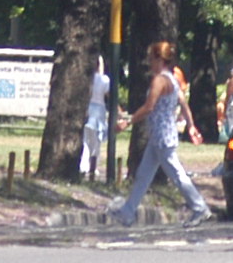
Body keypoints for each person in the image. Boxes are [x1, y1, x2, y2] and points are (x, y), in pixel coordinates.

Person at [110, 39, 211, 228]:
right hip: (160, 135)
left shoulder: (160, 80)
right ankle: (128, 211)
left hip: (162, 136)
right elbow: (183, 102)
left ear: (159, 59)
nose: (149, 62)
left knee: (177, 174)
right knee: (143, 175)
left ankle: (199, 207)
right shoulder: (173, 79)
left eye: (151, 58)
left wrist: (128, 121)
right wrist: (191, 125)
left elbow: (149, 107)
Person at [79, 52, 114, 181]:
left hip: (88, 110)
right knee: (96, 142)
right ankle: (93, 166)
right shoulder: (104, 79)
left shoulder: (86, 79)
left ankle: (83, 166)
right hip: (99, 111)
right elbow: (109, 95)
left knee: (85, 140)